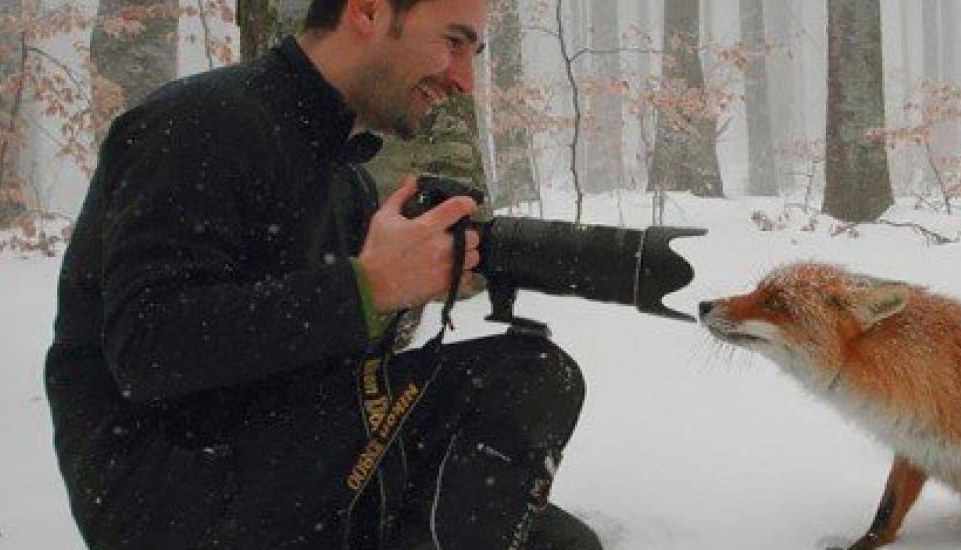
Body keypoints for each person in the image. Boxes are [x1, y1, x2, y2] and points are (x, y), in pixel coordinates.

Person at [43, 0, 602, 548]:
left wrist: (399, 290)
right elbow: (148, 349)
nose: (463, 80)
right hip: (173, 491)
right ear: (366, 12)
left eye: (473, 54)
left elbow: (323, 356)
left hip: (282, 455)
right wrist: (369, 286)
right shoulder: (198, 123)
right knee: (525, 377)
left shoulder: (345, 175)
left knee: (561, 543)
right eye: (453, 43)